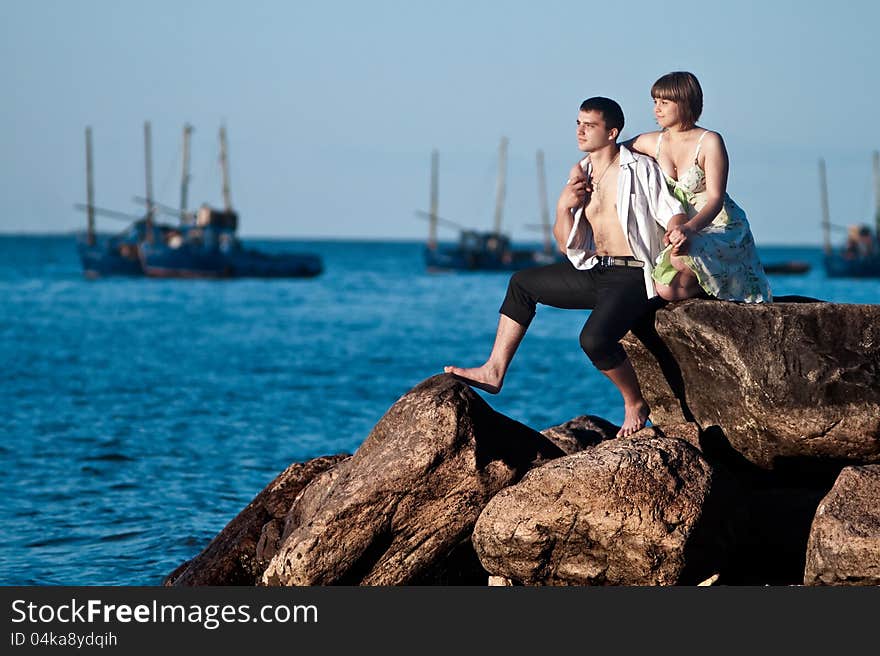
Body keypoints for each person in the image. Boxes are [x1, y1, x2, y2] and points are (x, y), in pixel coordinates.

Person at [444, 97, 687, 437]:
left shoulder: (639, 168)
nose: (580, 130)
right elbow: (565, 243)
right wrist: (564, 207)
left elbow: (670, 208)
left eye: (590, 125)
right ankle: (494, 371)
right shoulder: (583, 172)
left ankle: (634, 402)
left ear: (612, 132)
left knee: (594, 340)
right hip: (595, 270)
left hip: (632, 273)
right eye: (578, 123)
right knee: (521, 283)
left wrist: (679, 229)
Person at [625, 71, 771, 302]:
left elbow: (715, 199)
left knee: (680, 258)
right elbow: (612, 154)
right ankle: (713, 288)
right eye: (655, 102)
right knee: (665, 291)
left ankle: (727, 283)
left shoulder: (710, 141)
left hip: (718, 226)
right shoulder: (653, 141)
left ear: (684, 102)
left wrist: (689, 228)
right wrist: (580, 170)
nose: (657, 109)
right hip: (678, 229)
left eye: (665, 102)